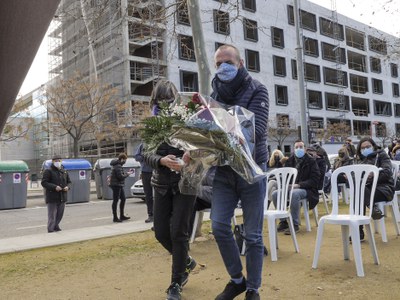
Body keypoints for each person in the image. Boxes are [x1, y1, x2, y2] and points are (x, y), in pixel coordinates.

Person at [210, 44, 269, 300]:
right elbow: (208, 130)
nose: (223, 67)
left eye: (228, 62)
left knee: (253, 234)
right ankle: (237, 280)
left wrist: (224, 130)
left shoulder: (258, 89)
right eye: (219, 63)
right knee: (219, 225)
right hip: (224, 170)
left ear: (240, 63)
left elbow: (256, 130)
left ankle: (253, 288)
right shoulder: (213, 94)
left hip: (252, 168)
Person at [143, 80, 197, 300]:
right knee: (161, 232)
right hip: (161, 184)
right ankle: (186, 261)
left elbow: (202, 146)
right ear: (154, 101)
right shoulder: (152, 123)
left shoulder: (188, 119)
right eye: (160, 100)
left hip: (186, 183)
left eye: (168, 100)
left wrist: (190, 155)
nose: (164, 104)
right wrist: (161, 160)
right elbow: (145, 153)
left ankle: (176, 282)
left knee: (179, 232)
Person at [273, 140, 320, 235]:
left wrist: (299, 185)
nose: (299, 149)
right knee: (275, 194)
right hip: (291, 188)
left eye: (301, 147)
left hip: (307, 190)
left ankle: (295, 224)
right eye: (296, 147)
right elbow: (285, 176)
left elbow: (315, 180)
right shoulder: (289, 161)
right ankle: (283, 221)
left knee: (294, 194)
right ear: (293, 149)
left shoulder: (311, 161)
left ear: (305, 149)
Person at [355, 137, 395, 241]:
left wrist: (372, 176)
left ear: (373, 146)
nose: (365, 149)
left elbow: (387, 173)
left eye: (368, 146)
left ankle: (359, 231)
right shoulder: (359, 160)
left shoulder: (381, 155)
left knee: (359, 193)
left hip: (383, 189)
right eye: (363, 148)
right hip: (367, 190)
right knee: (360, 190)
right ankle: (372, 208)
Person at [41, 154, 71, 233]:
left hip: (62, 197)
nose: (57, 162)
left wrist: (68, 187)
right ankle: (50, 229)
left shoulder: (64, 171)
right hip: (52, 197)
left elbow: (69, 182)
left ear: (61, 161)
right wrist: (54, 187)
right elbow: (44, 183)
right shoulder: (48, 171)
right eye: (56, 161)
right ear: (52, 161)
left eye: (59, 160)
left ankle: (56, 226)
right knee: (52, 216)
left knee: (59, 215)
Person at [109, 153, 133, 223]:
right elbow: (120, 177)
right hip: (116, 185)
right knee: (115, 201)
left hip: (118, 185)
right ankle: (115, 217)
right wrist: (127, 174)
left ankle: (121, 215)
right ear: (122, 159)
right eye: (125, 160)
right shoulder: (118, 166)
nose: (125, 161)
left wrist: (124, 174)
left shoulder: (117, 165)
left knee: (123, 199)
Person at [134, 143, 154, 223]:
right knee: (148, 195)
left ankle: (159, 215)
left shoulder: (158, 141)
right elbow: (136, 157)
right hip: (145, 172)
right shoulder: (143, 145)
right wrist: (145, 157)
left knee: (158, 195)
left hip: (157, 172)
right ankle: (151, 215)